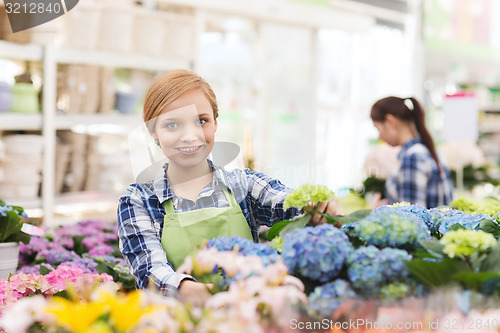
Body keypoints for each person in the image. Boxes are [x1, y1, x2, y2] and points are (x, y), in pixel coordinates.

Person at [117, 69, 340, 302]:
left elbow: (286, 201)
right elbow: (152, 274)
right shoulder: (139, 200)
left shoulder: (244, 185)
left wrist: (316, 205)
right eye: (172, 125)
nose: (190, 136)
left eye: (201, 121)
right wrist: (223, 296)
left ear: (215, 124)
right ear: (153, 131)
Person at [370, 96, 453, 208]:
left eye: (377, 128)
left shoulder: (413, 158)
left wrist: (377, 213)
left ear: (390, 121)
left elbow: (412, 219)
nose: (379, 136)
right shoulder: (426, 150)